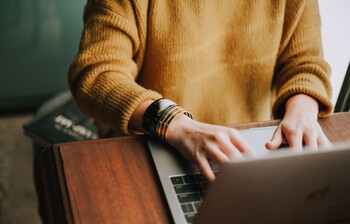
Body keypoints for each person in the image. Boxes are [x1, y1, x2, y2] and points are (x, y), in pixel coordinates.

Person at [68, 0, 333, 182]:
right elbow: (96, 73)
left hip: (250, 149)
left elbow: (305, 63)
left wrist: (303, 107)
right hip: (152, 140)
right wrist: (172, 122)